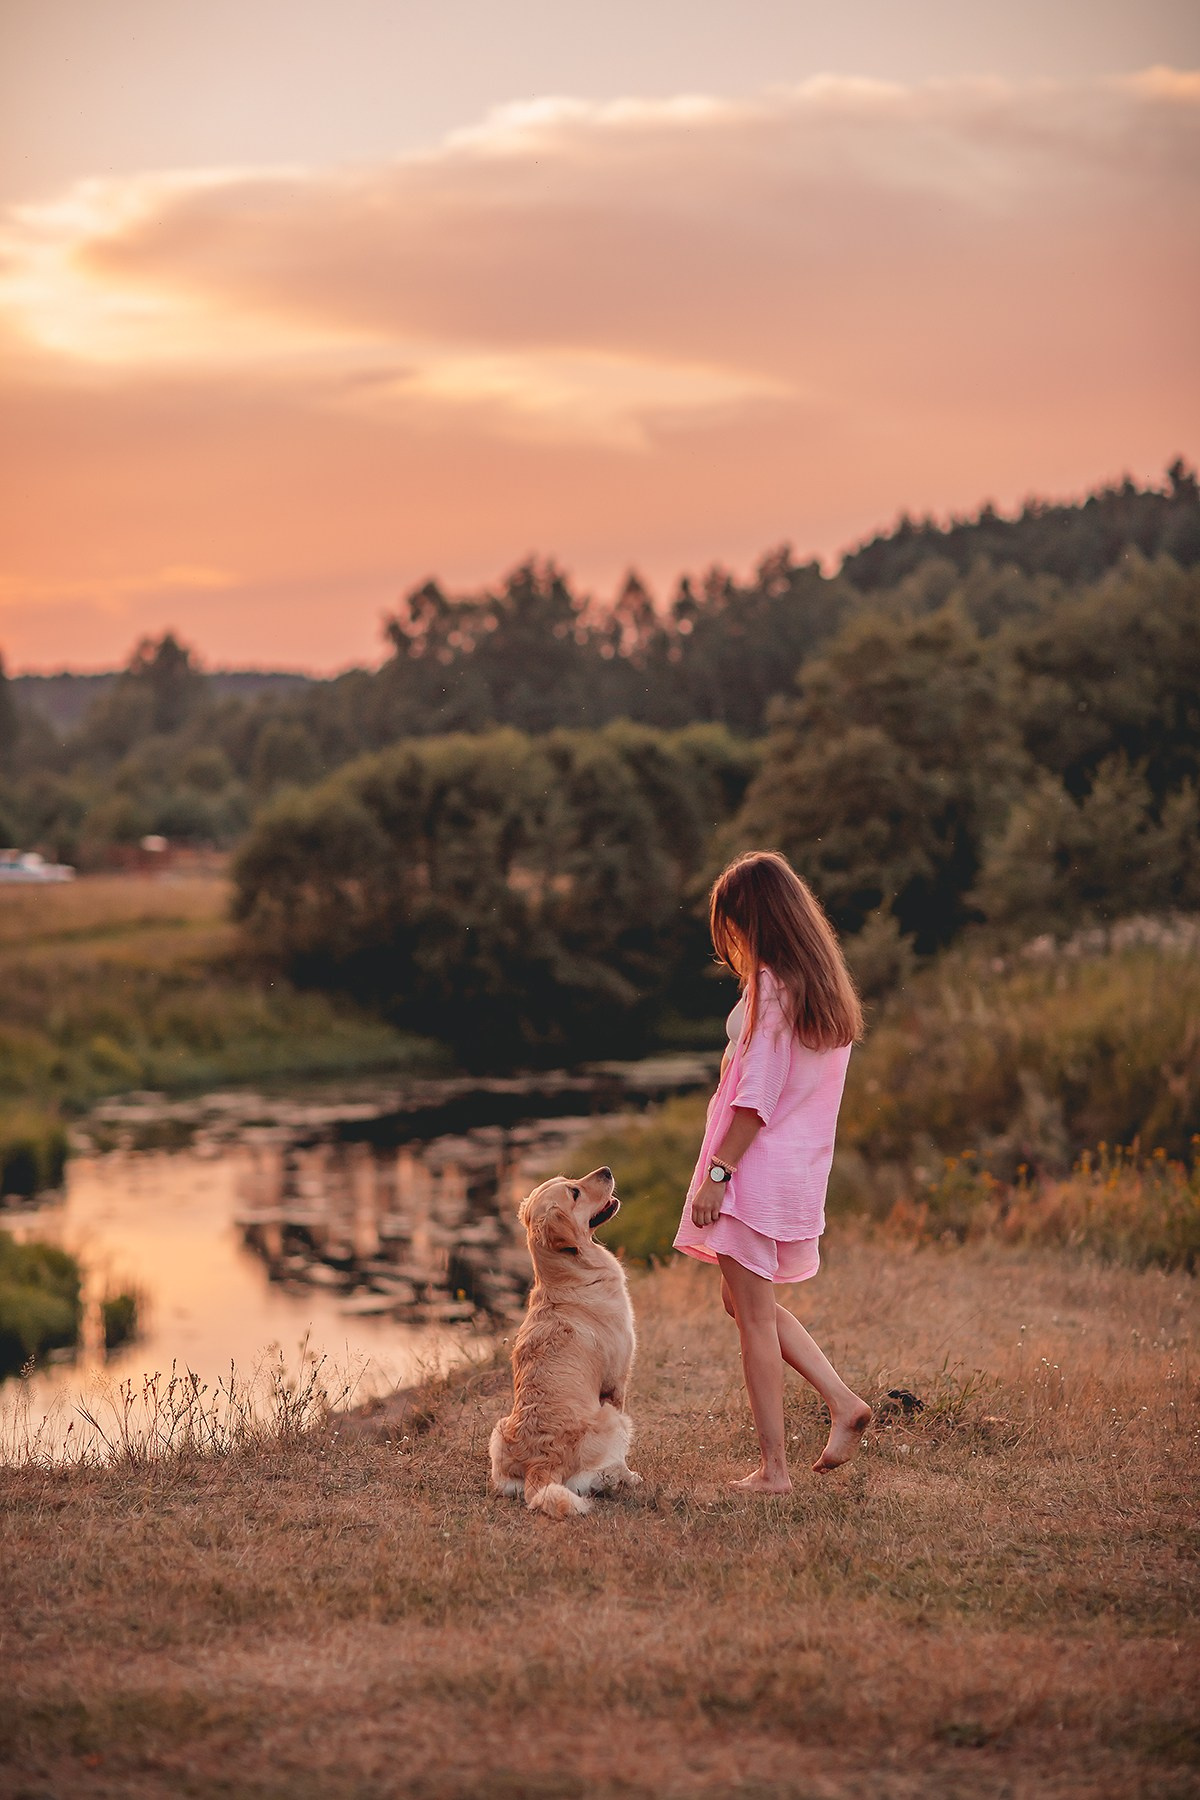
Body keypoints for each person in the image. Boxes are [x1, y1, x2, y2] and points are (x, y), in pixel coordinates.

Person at [674, 849, 871, 1493]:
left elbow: (756, 1096)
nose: (729, 937)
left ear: (753, 918)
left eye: (732, 921)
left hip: (752, 1168)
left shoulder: (770, 987)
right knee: (742, 1301)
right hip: (793, 1168)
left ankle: (775, 1471)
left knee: (752, 1318)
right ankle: (843, 1404)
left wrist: (719, 1174)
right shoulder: (819, 986)